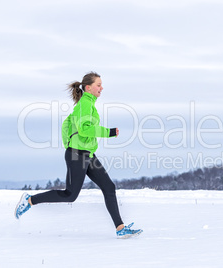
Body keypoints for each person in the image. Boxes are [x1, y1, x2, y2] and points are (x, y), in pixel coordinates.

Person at [15, 72, 142, 239]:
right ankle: (29, 200)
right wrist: (108, 132)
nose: (101, 88)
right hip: (77, 155)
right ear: (88, 87)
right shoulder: (84, 105)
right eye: (98, 85)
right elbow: (84, 129)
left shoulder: (89, 104)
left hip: (87, 154)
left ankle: (120, 228)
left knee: (109, 187)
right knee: (70, 194)